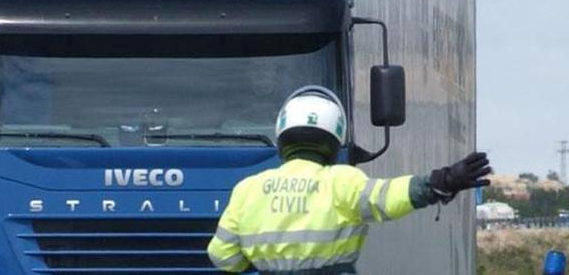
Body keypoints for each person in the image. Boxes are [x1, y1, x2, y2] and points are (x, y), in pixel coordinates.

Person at [207, 85, 491, 274]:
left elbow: (222, 255)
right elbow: (389, 197)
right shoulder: (341, 182)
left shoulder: (248, 190)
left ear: (282, 135)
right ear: (334, 139)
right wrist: (442, 181)